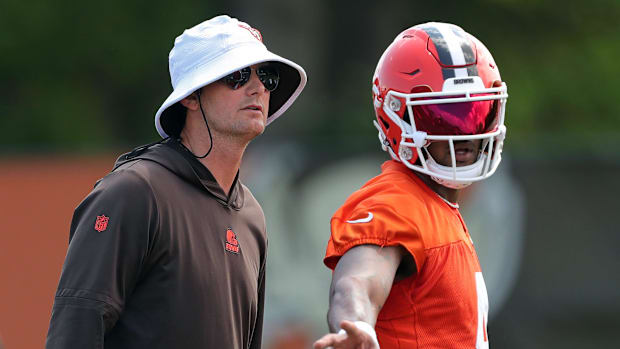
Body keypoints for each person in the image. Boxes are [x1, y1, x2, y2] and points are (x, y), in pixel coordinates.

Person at [46, 15, 306, 349]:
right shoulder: (133, 192)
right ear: (191, 97)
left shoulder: (252, 216)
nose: (257, 88)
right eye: (237, 76)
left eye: (266, 76)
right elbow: (75, 331)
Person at [314, 22, 508, 349]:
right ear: (397, 117)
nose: (464, 133)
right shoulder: (395, 201)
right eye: (443, 115)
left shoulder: (438, 205)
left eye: (475, 112)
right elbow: (357, 281)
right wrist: (355, 326)